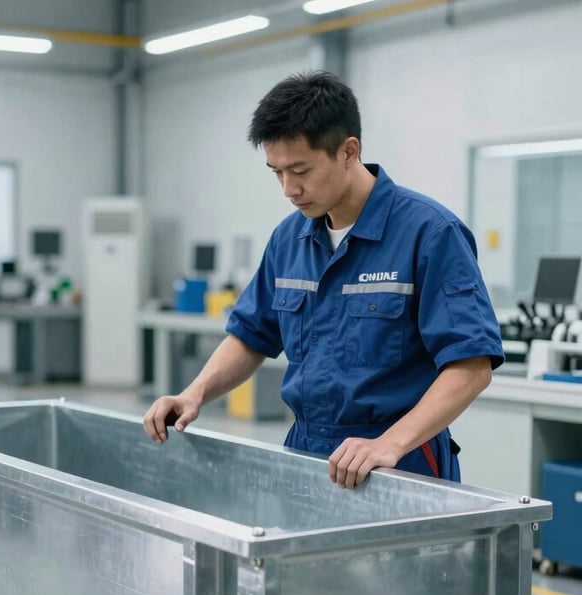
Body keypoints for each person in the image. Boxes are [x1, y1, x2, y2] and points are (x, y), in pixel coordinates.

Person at [143, 71, 504, 489]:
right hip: (308, 450)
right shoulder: (289, 239)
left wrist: (389, 444)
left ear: (349, 151)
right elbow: (251, 334)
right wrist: (194, 394)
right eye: (276, 172)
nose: (289, 189)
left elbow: (471, 366)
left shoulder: (430, 233)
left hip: (400, 460)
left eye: (300, 170)